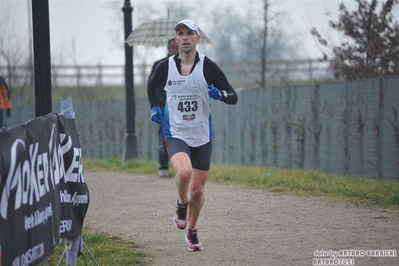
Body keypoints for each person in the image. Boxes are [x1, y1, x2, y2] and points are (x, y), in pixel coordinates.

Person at [147, 19, 238, 251]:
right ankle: (180, 203)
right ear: (176, 40)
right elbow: (153, 85)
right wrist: (156, 107)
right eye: (180, 33)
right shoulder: (165, 67)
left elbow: (232, 95)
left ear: (197, 38)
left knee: (197, 192)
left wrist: (219, 94)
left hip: (202, 135)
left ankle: (192, 230)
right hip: (175, 132)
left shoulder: (207, 66)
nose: (185, 37)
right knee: (184, 172)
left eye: (189, 33)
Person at [148, 38, 178, 178]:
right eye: (173, 47)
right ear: (168, 48)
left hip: (180, 107)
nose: (175, 50)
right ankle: (163, 167)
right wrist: (155, 106)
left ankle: (182, 166)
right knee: (163, 139)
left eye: (177, 47)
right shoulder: (159, 65)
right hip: (163, 106)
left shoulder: (187, 65)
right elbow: (151, 85)